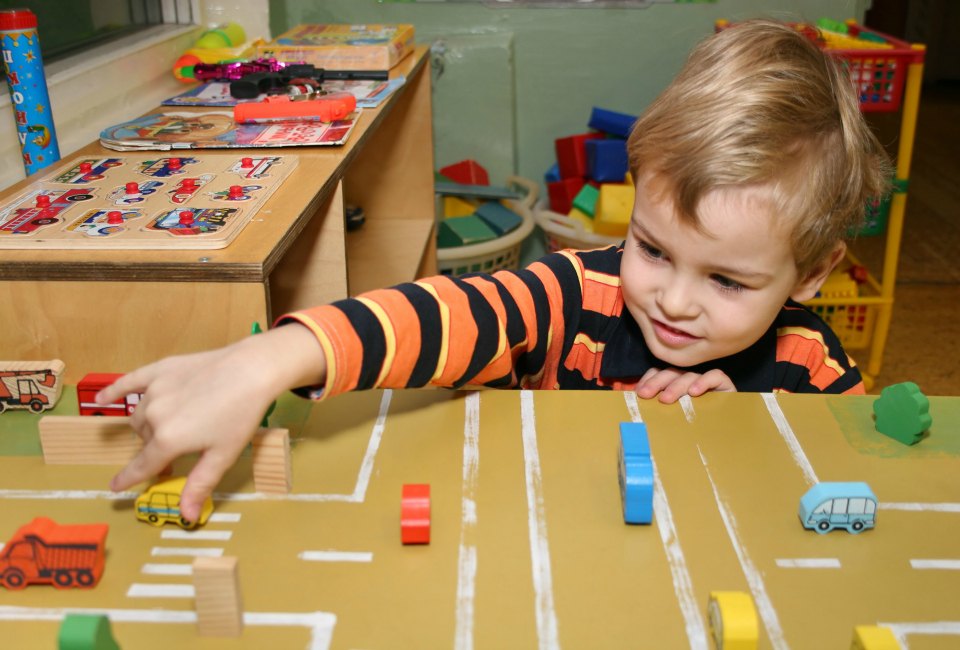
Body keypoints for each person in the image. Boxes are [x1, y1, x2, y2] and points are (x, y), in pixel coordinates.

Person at [98, 19, 891, 521]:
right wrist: (265, 359)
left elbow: (860, 490)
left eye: (727, 281)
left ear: (813, 273)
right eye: (653, 248)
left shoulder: (807, 367)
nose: (673, 301)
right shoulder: (575, 291)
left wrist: (758, 425)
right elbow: (443, 313)